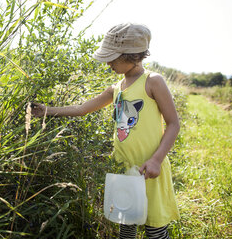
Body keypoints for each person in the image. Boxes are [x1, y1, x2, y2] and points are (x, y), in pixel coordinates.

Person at [31, 23, 180, 239]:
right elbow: (82, 109)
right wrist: (47, 111)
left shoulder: (153, 82)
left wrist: (157, 160)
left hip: (150, 170)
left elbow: (173, 123)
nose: (108, 62)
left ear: (132, 55)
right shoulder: (116, 88)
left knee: (155, 231)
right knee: (126, 227)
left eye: (113, 57)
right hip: (124, 169)